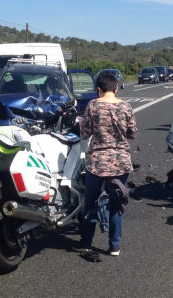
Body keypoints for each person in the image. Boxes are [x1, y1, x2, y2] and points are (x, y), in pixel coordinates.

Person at [73, 72, 137, 258]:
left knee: (91, 202)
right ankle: (114, 246)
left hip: (97, 163)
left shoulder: (93, 105)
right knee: (117, 203)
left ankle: (86, 243)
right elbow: (132, 134)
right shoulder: (126, 106)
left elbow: (85, 133)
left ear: (98, 89)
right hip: (120, 162)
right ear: (116, 89)